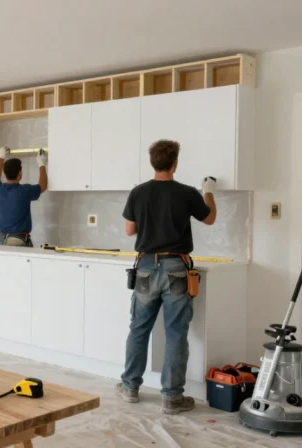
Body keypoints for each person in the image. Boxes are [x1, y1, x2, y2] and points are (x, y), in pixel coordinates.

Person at [115, 139, 217, 414]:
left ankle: (130, 388)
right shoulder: (187, 193)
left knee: (139, 329)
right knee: (175, 333)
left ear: (153, 162)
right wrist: (208, 191)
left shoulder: (138, 192)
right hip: (176, 268)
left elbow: (129, 230)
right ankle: (172, 398)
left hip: (146, 267)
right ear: (175, 163)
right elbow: (209, 218)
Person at [0, 146, 48, 246]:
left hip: (2, 240)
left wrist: (1, 156)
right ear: (20, 174)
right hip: (18, 240)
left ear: (4, 174)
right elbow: (43, 186)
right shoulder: (24, 191)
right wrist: (42, 164)